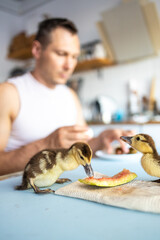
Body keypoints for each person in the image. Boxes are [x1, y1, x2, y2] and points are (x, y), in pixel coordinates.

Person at [0, 18, 133, 176]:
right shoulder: (8, 93)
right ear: (37, 50)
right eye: (61, 54)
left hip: (62, 186)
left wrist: (102, 138)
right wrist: (47, 144)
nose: (69, 65)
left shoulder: (70, 95)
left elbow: (80, 145)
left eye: (74, 56)